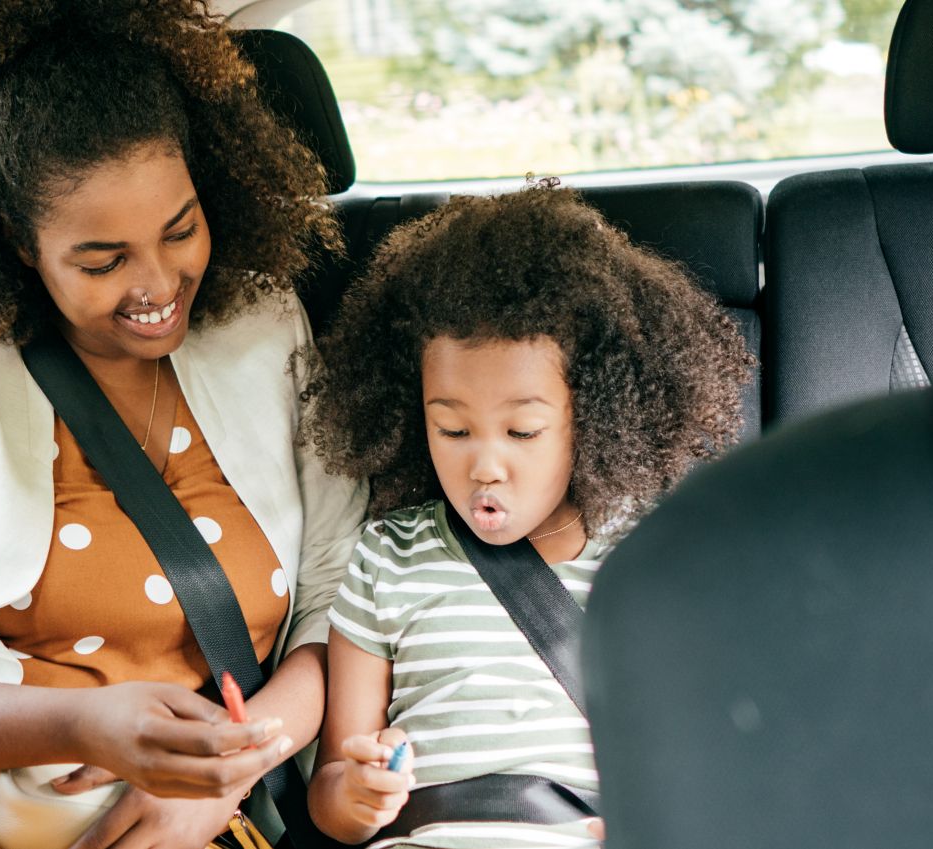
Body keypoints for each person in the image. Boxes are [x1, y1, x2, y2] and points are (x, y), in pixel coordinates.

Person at [0, 1, 367, 847]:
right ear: (14, 239)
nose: (159, 282)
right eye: (102, 259)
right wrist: (79, 723)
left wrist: (231, 768)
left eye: (180, 228)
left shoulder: (265, 325)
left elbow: (343, 589)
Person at [299, 183, 753, 848]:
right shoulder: (386, 558)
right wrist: (358, 791)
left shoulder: (655, 555)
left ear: (594, 417)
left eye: (522, 431)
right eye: (452, 431)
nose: (484, 465)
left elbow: (711, 763)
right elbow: (331, 794)